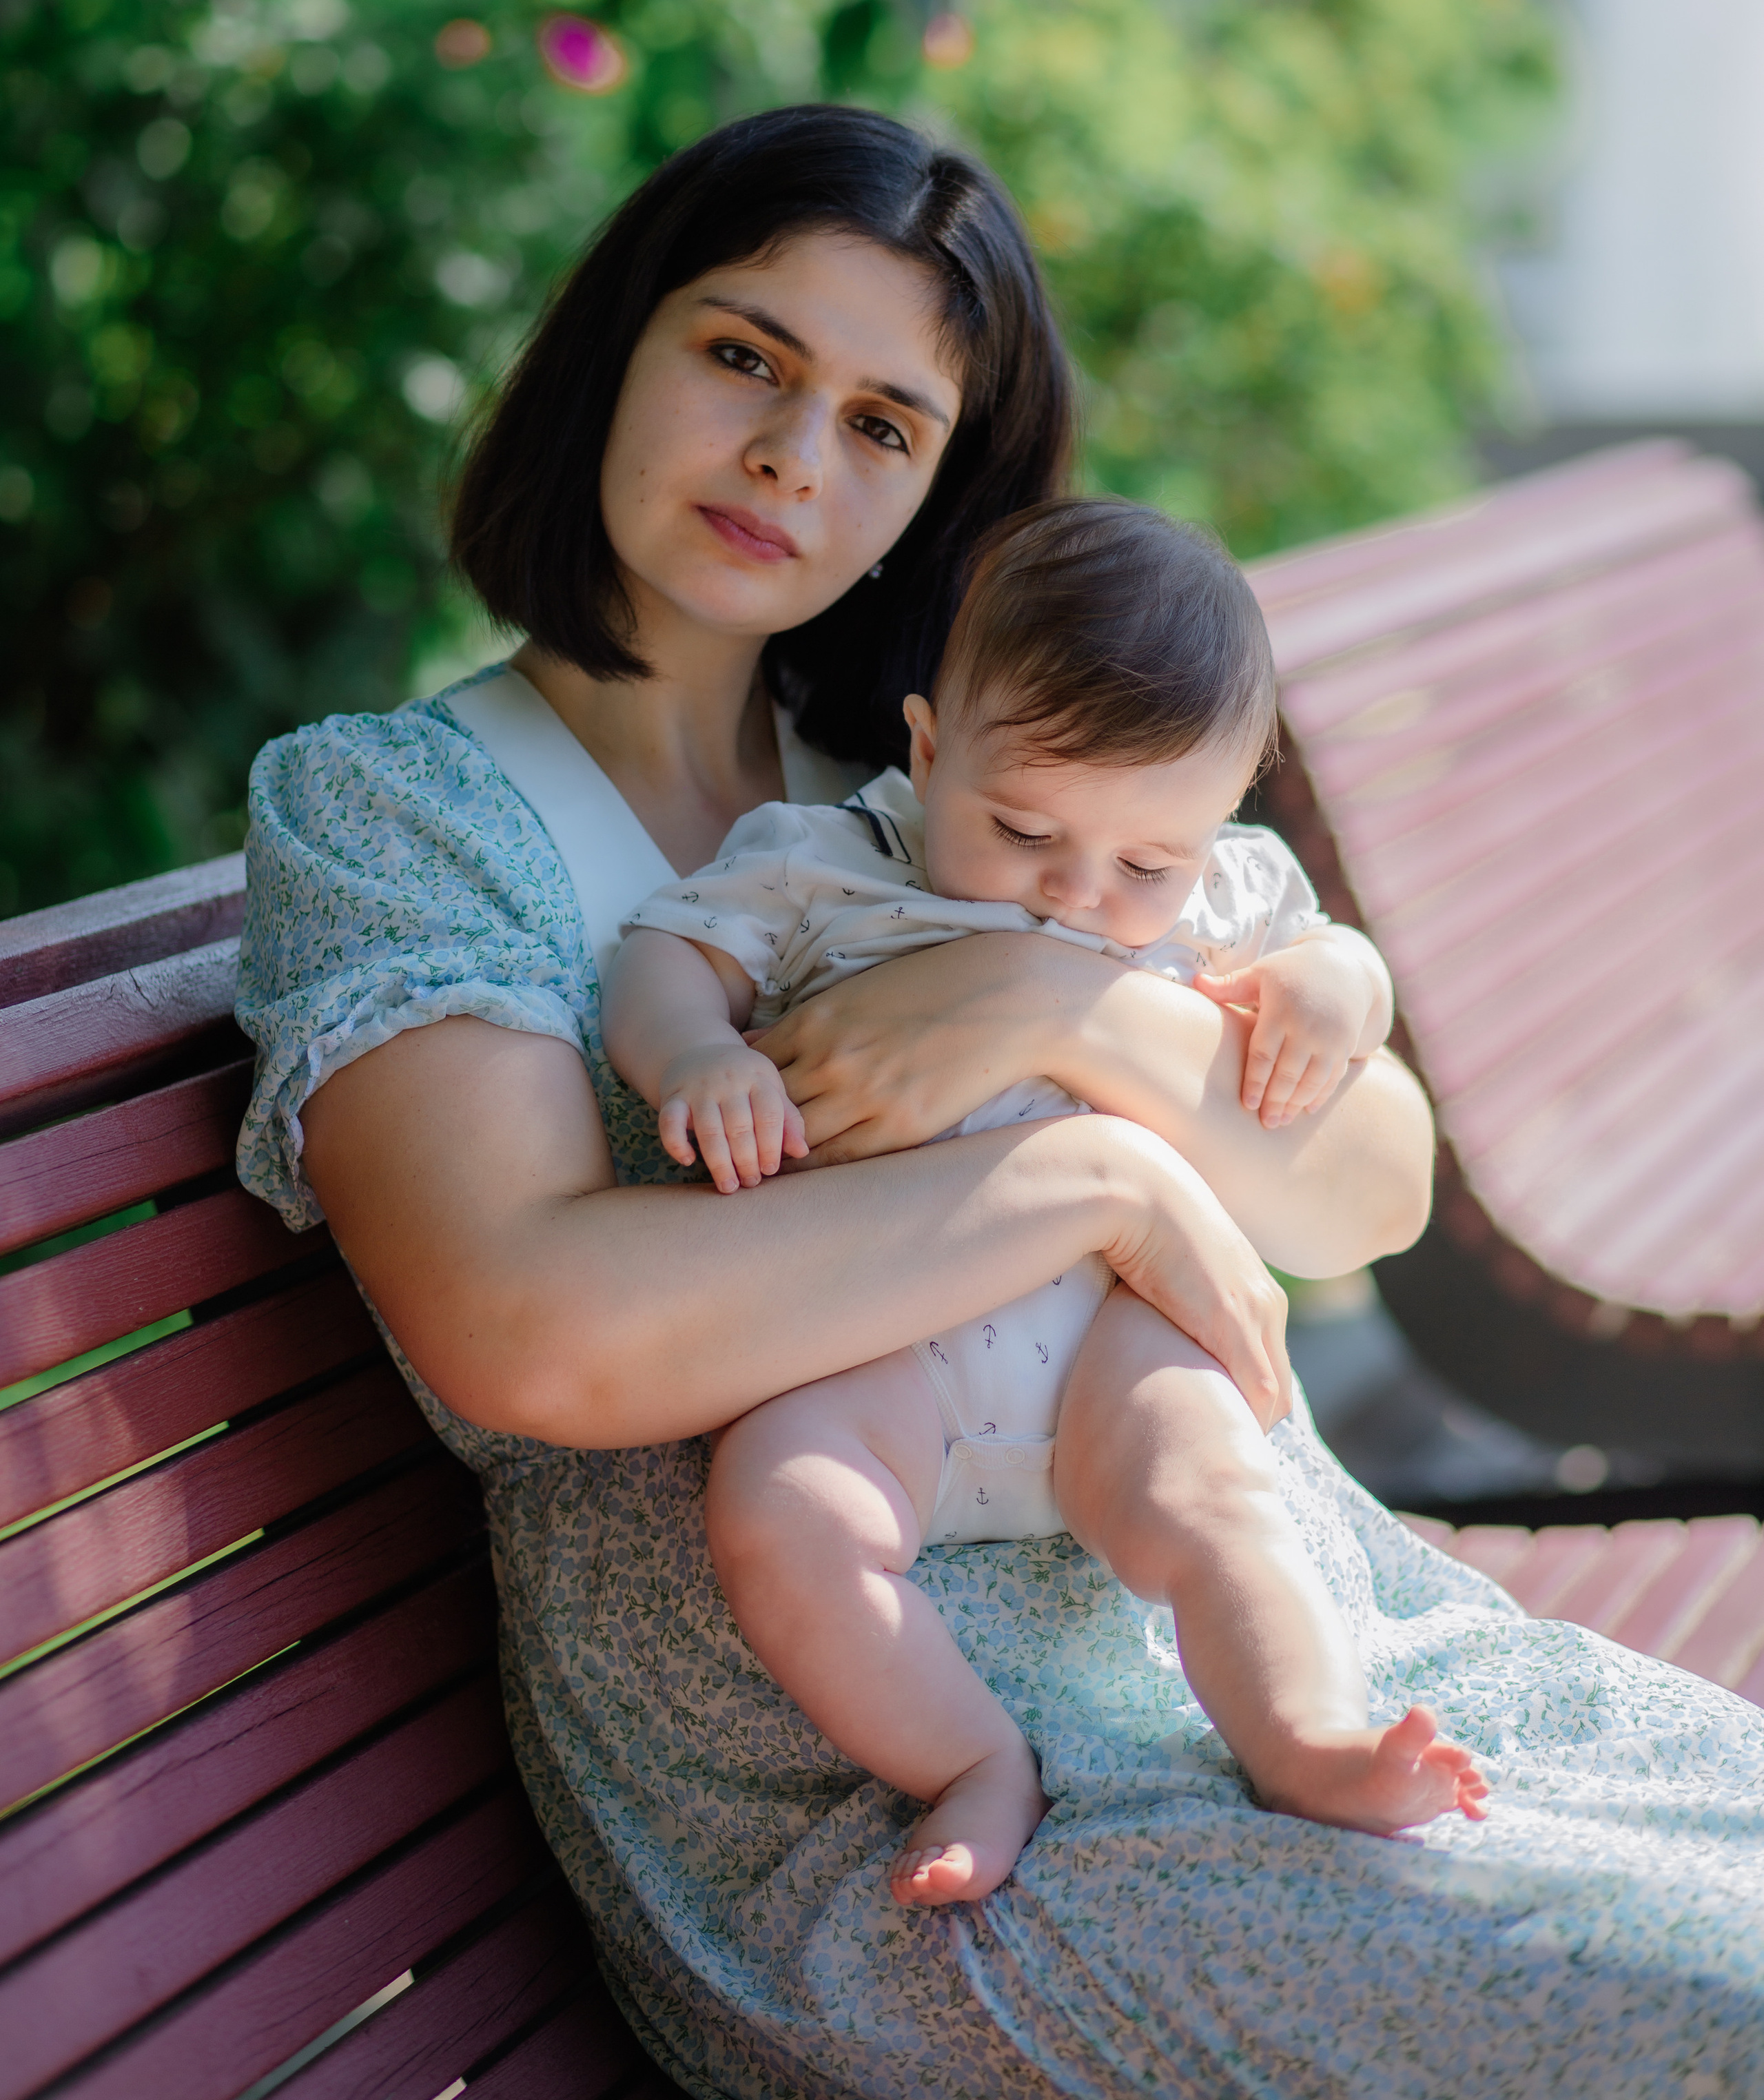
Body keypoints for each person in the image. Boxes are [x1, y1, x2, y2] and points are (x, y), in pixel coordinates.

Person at [238, 105, 1764, 2100]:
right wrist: (1098, 1183)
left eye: (885, 422)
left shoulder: (968, 782)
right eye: (743, 357)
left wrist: (1052, 1003)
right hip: (879, 1807)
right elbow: (531, 1328)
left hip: (1287, 1642)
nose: (795, 454)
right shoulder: (400, 813)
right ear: (617, 341)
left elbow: (1362, 1191)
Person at [604, 498, 1490, 1910]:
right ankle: (968, 1763)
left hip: (1111, 1344)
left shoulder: (1229, 893)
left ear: (1214, 823)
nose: (1080, 893)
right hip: (878, 1338)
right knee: (780, 1516)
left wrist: (1335, 988)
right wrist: (700, 1051)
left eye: (1148, 865)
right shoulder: (820, 860)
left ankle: (1306, 1738)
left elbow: (1338, 976)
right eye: (1020, 828)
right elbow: (660, 959)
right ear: (927, 745)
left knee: (1217, 1499)